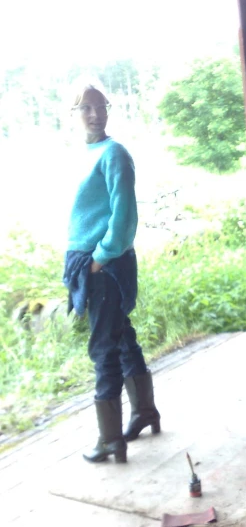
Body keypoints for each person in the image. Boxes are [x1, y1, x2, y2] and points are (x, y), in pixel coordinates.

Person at [62, 83, 161, 464]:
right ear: (73, 114)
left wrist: (99, 259)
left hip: (106, 266)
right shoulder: (87, 153)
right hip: (93, 261)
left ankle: (109, 439)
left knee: (103, 349)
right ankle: (144, 411)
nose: (95, 113)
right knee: (121, 338)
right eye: (85, 107)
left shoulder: (115, 153)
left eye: (101, 105)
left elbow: (123, 217)